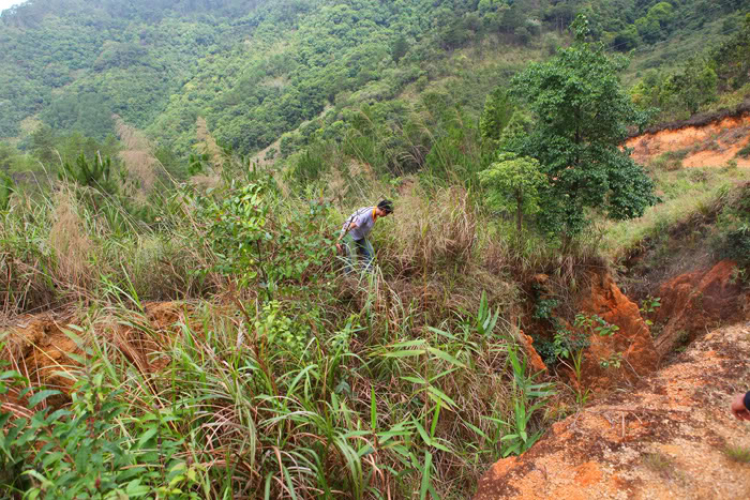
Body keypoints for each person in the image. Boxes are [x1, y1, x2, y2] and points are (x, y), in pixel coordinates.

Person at [337, 199, 394, 272]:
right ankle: (346, 279)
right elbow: (349, 225)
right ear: (383, 210)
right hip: (350, 237)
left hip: (360, 237)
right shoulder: (366, 214)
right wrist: (339, 240)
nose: (386, 215)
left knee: (370, 254)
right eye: (386, 214)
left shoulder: (374, 213)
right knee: (351, 259)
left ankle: (367, 274)